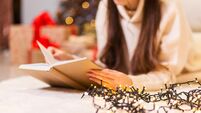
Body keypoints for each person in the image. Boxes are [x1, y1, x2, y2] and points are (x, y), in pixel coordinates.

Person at [48, 0, 192, 91]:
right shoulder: (106, 6)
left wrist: (131, 82)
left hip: (187, 68)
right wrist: (72, 61)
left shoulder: (168, 7)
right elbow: (108, 64)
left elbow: (168, 74)